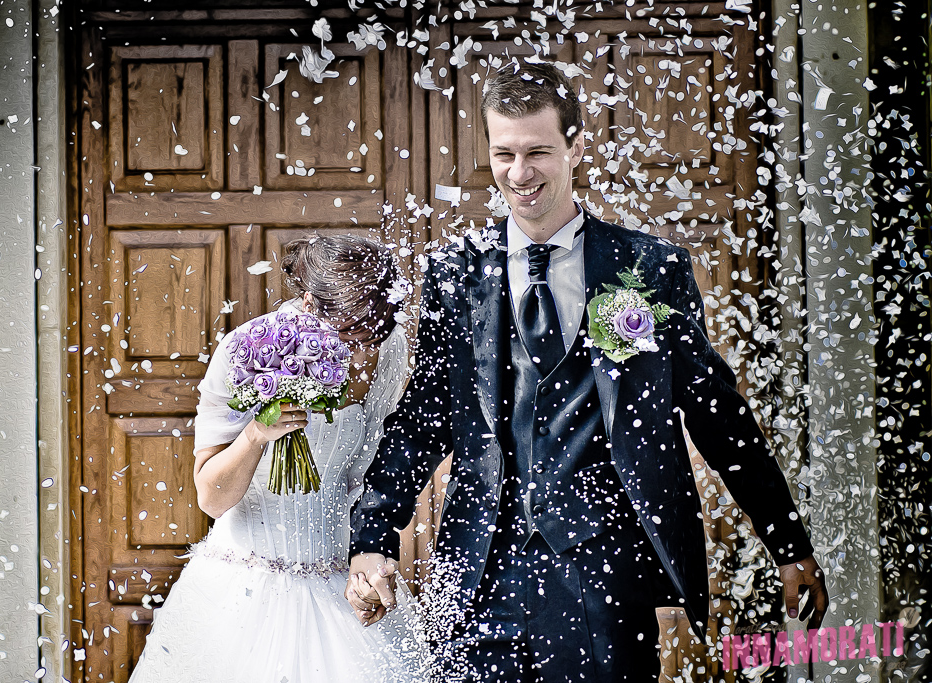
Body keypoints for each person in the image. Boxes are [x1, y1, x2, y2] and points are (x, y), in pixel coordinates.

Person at [345, 62, 829, 682]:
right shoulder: (455, 274)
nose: (520, 175)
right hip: (473, 577)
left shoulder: (649, 269)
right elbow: (424, 417)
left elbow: (718, 414)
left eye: (538, 152)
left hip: (602, 575)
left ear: (576, 147)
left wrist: (788, 543)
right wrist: (375, 536)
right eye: (504, 155)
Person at [130, 234, 424, 683]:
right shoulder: (247, 350)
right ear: (309, 303)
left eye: (373, 331)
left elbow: (368, 474)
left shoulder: (386, 350)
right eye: (349, 330)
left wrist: (368, 554)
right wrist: (255, 435)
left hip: (337, 579)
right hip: (244, 589)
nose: (361, 345)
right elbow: (210, 497)